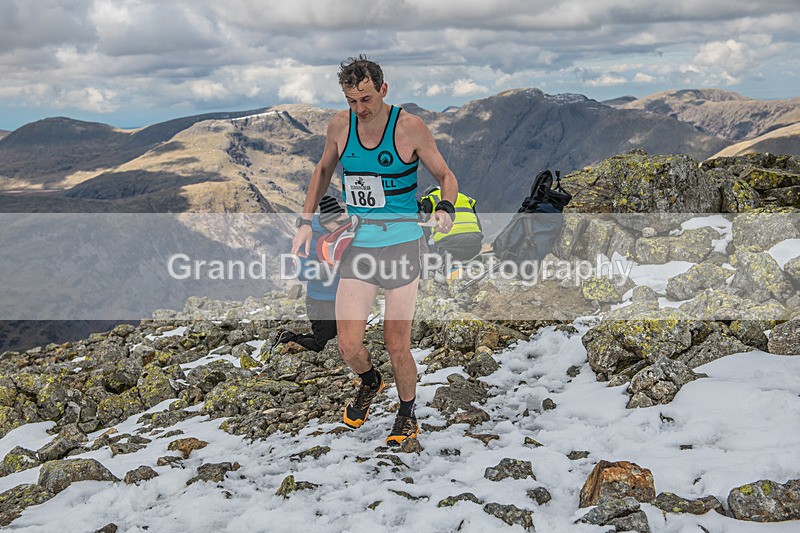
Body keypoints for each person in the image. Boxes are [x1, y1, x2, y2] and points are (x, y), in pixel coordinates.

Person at [291, 54, 458, 446]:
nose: (360, 109)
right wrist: (305, 222)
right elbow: (323, 170)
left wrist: (446, 208)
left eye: (366, 99)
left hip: (402, 245)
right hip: (361, 246)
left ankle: (407, 412)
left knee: (396, 343)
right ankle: (370, 381)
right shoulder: (340, 126)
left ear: (383, 89)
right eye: (352, 101)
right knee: (348, 345)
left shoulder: (410, 127)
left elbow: (446, 175)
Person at [275, 195, 346, 353]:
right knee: (323, 346)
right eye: (339, 223)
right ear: (326, 222)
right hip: (321, 301)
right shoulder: (308, 238)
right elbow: (301, 271)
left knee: (344, 339)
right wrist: (328, 269)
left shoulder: (342, 233)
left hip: (342, 297)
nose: (343, 226)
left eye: (344, 221)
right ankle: (289, 338)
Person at [419, 186, 483, 261]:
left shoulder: (429, 199)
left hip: (448, 246)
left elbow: (425, 228)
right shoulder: (465, 197)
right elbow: (479, 225)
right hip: (475, 245)